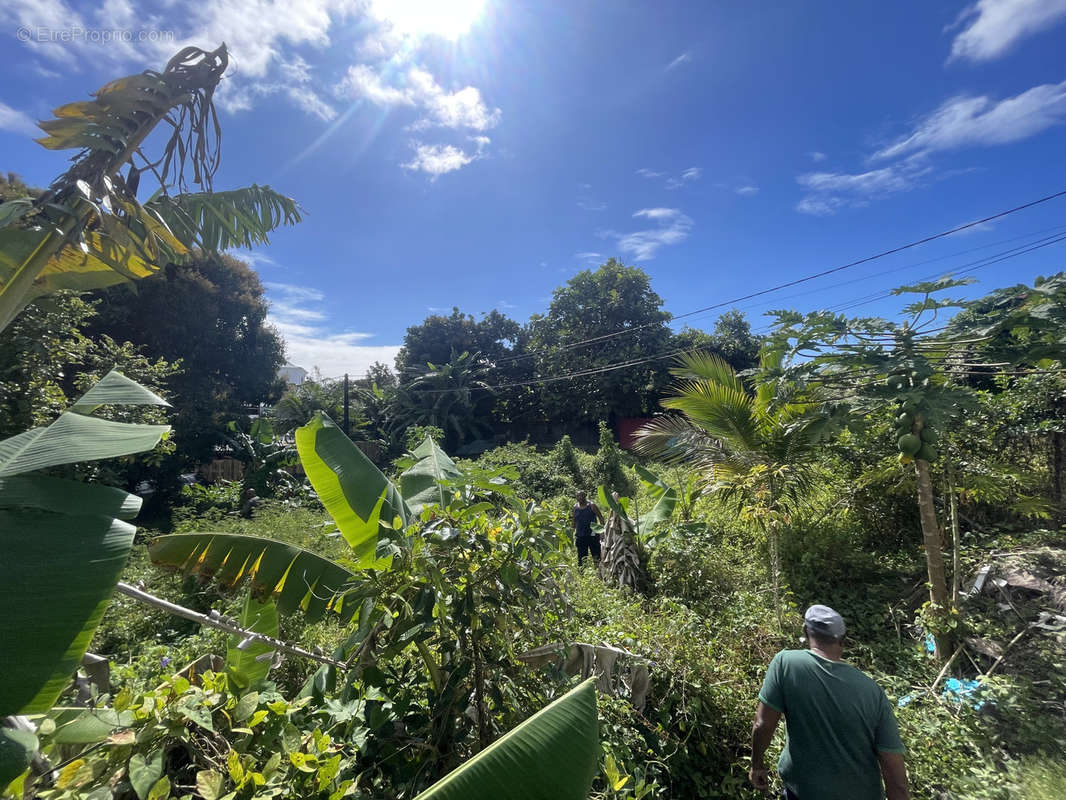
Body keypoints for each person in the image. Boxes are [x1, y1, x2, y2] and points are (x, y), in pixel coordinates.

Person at [750, 605, 910, 800]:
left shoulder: (785, 664)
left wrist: (756, 765)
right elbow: (893, 769)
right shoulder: (873, 691)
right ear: (842, 641)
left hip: (801, 792)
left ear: (806, 632)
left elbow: (762, 725)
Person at [572, 490, 604, 565]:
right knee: (581, 557)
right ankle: (582, 574)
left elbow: (601, 518)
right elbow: (574, 520)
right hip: (580, 535)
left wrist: (602, 531)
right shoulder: (575, 507)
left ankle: (599, 572)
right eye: (578, 496)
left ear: (585, 496)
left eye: (581, 496)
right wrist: (572, 530)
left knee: (596, 555)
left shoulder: (592, 506)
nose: (580, 497)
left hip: (592, 534)